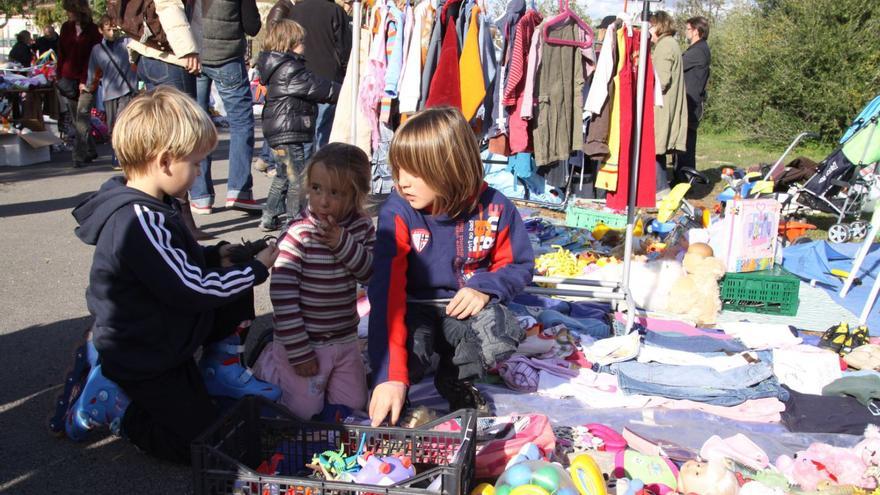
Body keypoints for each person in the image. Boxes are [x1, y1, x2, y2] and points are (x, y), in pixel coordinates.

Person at [65, 87, 281, 463]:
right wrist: (257, 268)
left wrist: (217, 254)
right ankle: (114, 405)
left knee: (231, 266)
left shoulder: (155, 206)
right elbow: (191, 287)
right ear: (165, 162)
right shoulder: (138, 220)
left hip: (165, 339)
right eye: (197, 164)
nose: (200, 173)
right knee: (200, 446)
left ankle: (220, 366)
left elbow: (178, 262)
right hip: (143, 356)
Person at [367, 107, 534, 426]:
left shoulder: (495, 207)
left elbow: (518, 264)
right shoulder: (399, 211)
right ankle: (400, 390)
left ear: (450, 168)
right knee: (407, 350)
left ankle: (456, 380)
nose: (402, 182)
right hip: (416, 309)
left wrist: (485, 288)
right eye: (398, 170)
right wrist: (390, 375)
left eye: (414, 172)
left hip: (462, 310)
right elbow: (386, 294)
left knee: (501, 333)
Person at [252, 143, 374, 419]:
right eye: (316, 188)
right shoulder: (299, 233)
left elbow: (369, 273)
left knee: (353, 407)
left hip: (344, 338)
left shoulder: (361, 227)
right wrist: (298, 350)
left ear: (356, 195)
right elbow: (283, 295)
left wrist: (342, 243)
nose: (323, 200)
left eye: (335, 193)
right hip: (304, 342)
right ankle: (270, 364)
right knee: (303, 413)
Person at [127, 0, 207, 238]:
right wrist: (188, 48)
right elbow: (169, 4)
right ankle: (181, 223)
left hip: (152, 54)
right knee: (180, 141)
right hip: (170, 58)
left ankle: (160, 217)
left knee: (160, 139)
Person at [256, 19, 340, 231]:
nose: (305, 45)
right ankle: (295, 220)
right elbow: (316, 87)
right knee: (297, 177)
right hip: (289, 130)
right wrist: (344, 89)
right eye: (301, 41)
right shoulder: (290, 68)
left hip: (278, 130)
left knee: (284, 175)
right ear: (290, 42)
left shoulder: (276, 67)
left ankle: (270, 215)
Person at [188, 0, 262, 215]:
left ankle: (200, 196)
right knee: (241, 122)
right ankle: (239, 191)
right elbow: (252, 26)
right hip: (227, 56)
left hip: (195, 55)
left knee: (197, 123)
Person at [289, 0, 351, 150]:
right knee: (324, 130)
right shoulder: (335, 11)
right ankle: (320, 168)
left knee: (305, 130)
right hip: (328, 78)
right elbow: (345, 47)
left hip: (301, 76)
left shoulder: (295, 11)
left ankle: (306, 168)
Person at [85, 15, 138, 169]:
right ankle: (117, 153)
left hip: (128, 91)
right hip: (109, 92)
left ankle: (121, 157)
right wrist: (89, 87)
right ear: (101, 30)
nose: (112, 33)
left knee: (122, 123)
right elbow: (92, 71)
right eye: (108, 29)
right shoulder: (97, 50)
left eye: (114, 29)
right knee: (111, 127)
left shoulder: (127, 42)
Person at [58, 0, 102, 168]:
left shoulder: (93, 31)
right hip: (68, 79)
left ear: (79, 11)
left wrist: (86, 81)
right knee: (77, 120)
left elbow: (94, 58)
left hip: (88, 80)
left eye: (70, 11)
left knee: (83, 116)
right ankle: (90, 149)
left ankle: (78, 155)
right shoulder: (65, 28)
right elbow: (61, 53)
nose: (68, 14)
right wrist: (59, 76)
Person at [649, 10, 688, 194]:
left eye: (651, 26)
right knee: (658, 147)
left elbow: (661, 80)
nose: (649, 30)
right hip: (665, 104)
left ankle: (660, 188)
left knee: (656, 146)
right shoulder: (670, 44)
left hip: (661, 105)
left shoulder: (665, 46)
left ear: (658, 26)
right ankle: (660, 187)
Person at [678, 16, 711, 176]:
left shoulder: (698, 50)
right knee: (684, 144)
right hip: (691, 103)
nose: (686, 32)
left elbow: (676, 64)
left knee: (686, 145)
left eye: (688, 29)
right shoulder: (699, 48)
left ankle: (684, 179)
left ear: (697, 31)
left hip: (691, 105)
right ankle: (682, 177)